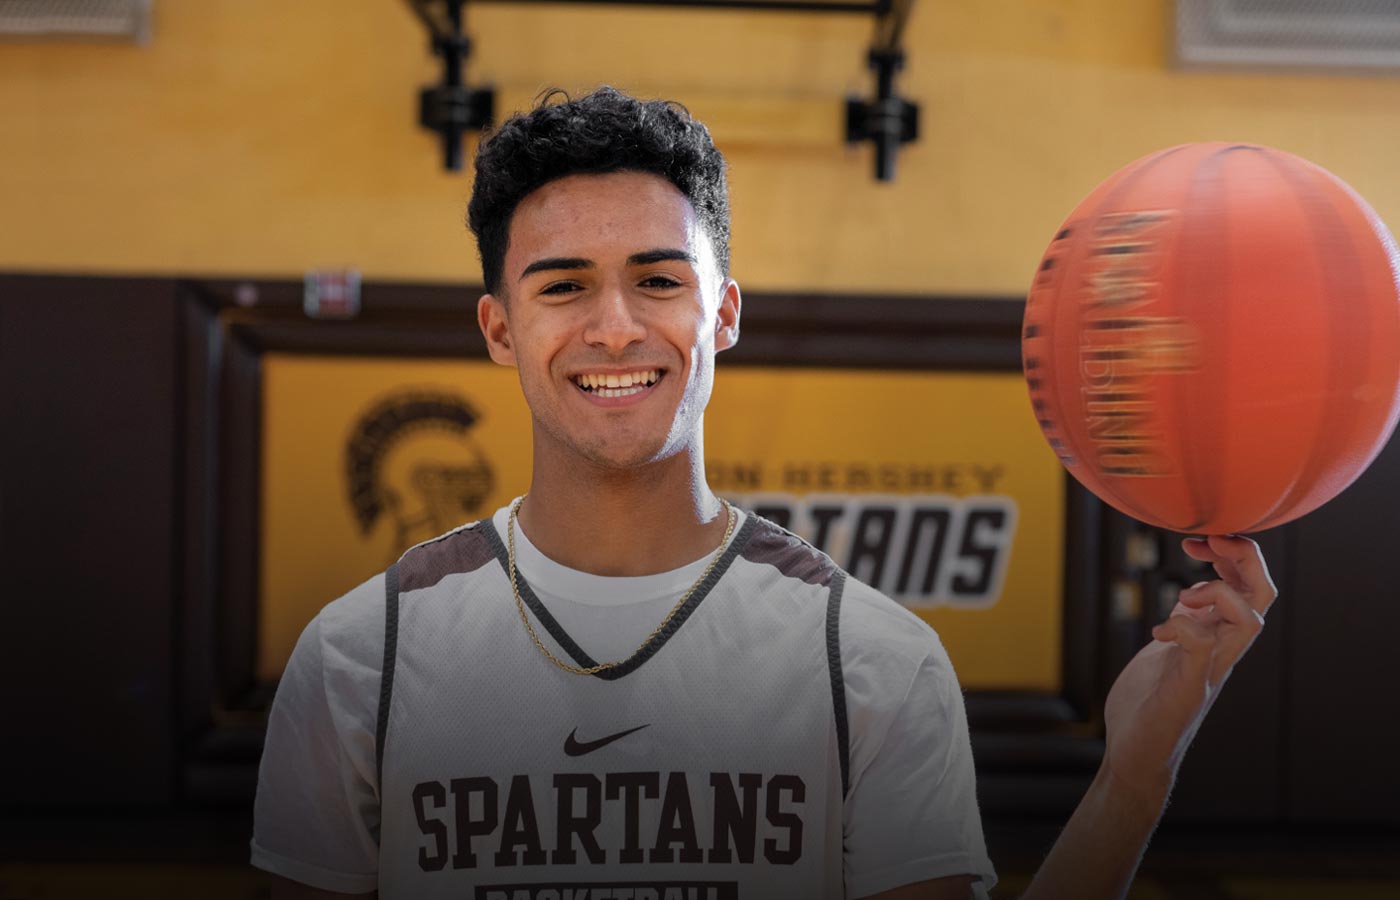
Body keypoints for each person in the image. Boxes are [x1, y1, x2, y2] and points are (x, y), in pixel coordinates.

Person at [250, 87, 1278, 900]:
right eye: (562, 285)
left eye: (659, 280)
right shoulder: (361, 656)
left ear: (725, 312)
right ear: (497, 328)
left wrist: (1134, 771)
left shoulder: (865, 657)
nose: (613, 327)